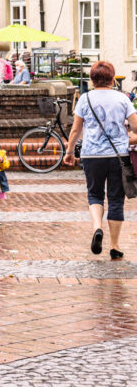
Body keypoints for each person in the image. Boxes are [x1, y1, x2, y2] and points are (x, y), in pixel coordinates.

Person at [63, 60, 137, 259]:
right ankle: (115, 246)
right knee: (115, 200)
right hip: (118, 156)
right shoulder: (122, 99)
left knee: (94, 194)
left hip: (92, 155)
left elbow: (76, 129)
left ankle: (97, 227)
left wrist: (69, 151)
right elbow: (136, 127)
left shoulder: (85, 99)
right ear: (112, 78)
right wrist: (127, 130)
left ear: (92, 79)